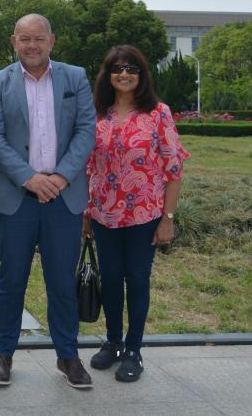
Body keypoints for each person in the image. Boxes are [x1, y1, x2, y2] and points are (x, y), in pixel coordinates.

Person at [0, 13, 96, 389]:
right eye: (24, 38)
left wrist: (60, 177)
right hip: (17, 196)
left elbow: (86, 130)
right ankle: (3, 354)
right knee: (11, 278)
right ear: (14, 41)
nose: (32, 45)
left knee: (61, 280)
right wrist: (29, 178)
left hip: (63, 196)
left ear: (52, 41)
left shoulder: (75, 78)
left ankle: (67, 355)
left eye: (39, 38)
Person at [84, 45, 188, 382]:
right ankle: (113, 342)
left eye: (132, 69)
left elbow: (174, 168)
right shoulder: (97, 114)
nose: (124, 74)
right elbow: (87, 166)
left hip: (144, 215)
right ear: (108, 75)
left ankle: (133, 350)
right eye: (117, 68)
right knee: (111, 279)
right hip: (103, 214)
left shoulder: (158, 113)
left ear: (142, 75)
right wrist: (85, 213)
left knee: (138, 278)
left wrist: (168, 219)